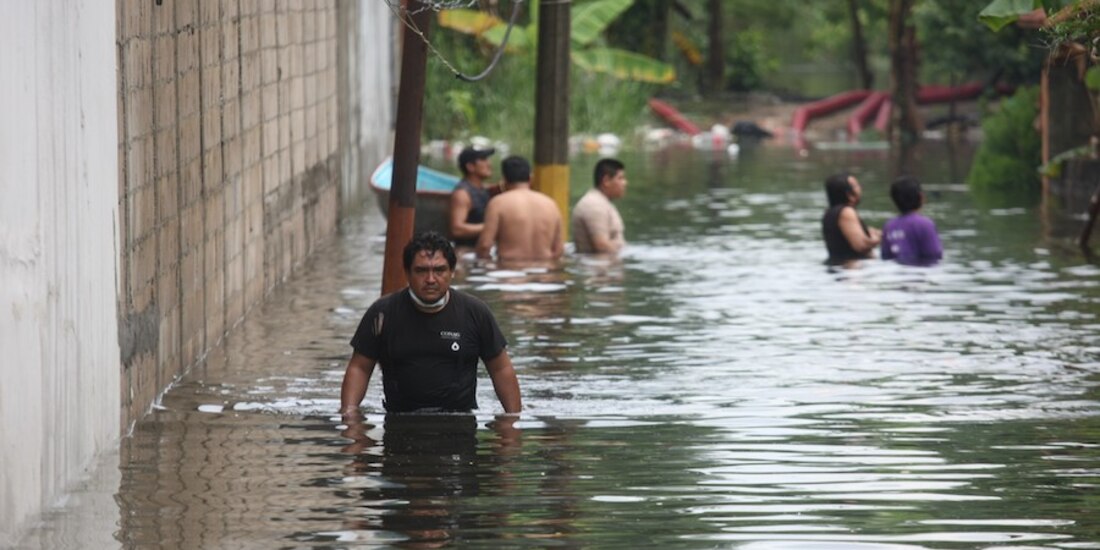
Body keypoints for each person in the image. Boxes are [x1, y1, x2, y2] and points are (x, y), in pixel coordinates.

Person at [340, 231, 521, 415]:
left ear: (452, 272)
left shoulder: (475, 312)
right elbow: (360, 368)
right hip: (400, 423)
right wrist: (349, 415)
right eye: (421, 271)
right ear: (407, 273)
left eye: (439, 270)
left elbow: (501, 368)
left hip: (459, 424)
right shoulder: (382, 314)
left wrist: (513, 420)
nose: (430, 280)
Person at [476, 156, 564, 262]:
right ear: (531, 178)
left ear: (503, 180)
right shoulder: (551, 204)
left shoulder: (498, 203)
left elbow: (485, 246)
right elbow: (559, 249)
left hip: (510, 272)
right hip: (544, 273)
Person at [881, 175, 943, 266]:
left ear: (894, 201)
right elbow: (935, 255)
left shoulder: (889, 226)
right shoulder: (926, 224)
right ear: (921, 197)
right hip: (920, 273)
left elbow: (885, 257)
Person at [821, 172, 881, 264]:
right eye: (857, 186)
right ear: (849, 195)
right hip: (852, 269)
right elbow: (861, 246)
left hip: (837, 265)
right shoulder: (846, 212)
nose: (860, 188)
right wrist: (877, 239)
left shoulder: (829, 213)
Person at [572, 158, 627, 254]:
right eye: (620, 178)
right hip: (599, 267)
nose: (625, 183)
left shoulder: (602, 203)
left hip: (609, 266)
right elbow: (602, 246)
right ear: (606, 181)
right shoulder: (594, 206)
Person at [449, 146, 497, 248]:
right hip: (467, 252)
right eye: (483, 160)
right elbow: (457, 229)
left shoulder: (482, 189)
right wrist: (492, 226)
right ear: (470, 166)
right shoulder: (462, 194)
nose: (489, 164)